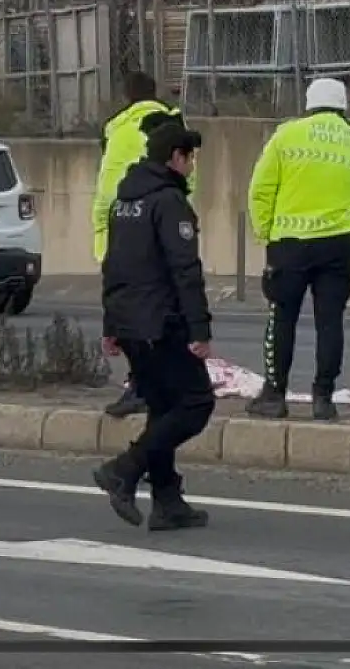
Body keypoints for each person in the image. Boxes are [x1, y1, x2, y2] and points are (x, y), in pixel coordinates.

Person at [92, 123, 215, 532]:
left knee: (163, 408)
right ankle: (124, 470)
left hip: (131, 323)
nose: (192, 165)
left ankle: (167, 500)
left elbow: (113, 266)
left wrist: (112, 324)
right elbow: (185, 269)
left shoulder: (123, 201)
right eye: (190, 157)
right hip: (160, 323)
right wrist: (199, 329)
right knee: (196, 404)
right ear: (175, 158)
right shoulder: (168, 202)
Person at [245, 77, 350, 422]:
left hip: (288, 245)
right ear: (343, 106)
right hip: (337, 246)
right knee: (329, 322)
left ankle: (274, 395)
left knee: (282, 318)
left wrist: (268, 235)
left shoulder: (286, 136)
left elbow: (260, 192)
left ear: (308, 103)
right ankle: (323, 398)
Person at [92, 72, 191, 420]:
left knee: (123, 304)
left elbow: (105, 173)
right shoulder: (170, 120)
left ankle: (140, 385)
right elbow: (184, 170)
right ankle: (149, 384)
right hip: (157, 218)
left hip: (116, 216)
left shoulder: (114, 127)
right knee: (161, 303)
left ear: (126, 95)